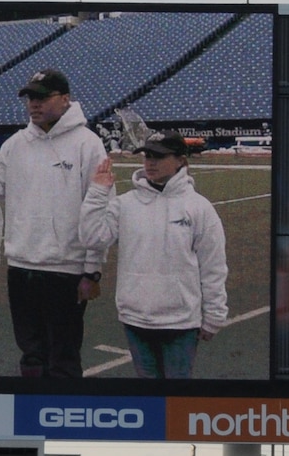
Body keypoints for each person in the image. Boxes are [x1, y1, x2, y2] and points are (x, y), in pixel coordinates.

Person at [0, 70, 108, 377]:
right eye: (30, 98)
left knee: (63, 357)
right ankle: (33, 417)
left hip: (66, 270)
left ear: (65, 100)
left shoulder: (88, 144)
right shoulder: (15, 145)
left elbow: (101, 209)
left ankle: (61, 421)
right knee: (31, 355)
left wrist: (92, 269)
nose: (34, 104)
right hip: (22, 267)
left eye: (42, 97)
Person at [79, 131, 228, 378]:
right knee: (147, 398)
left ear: (181, 160)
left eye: (158, 156)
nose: (150, 162)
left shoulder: (199, 208)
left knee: (176, 400)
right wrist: (97, 193)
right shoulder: (125, 204)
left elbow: (213, 266)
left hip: (180, 322)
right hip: (135, 319)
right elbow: (92, 238)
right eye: (147, 155)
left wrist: (214, 316)